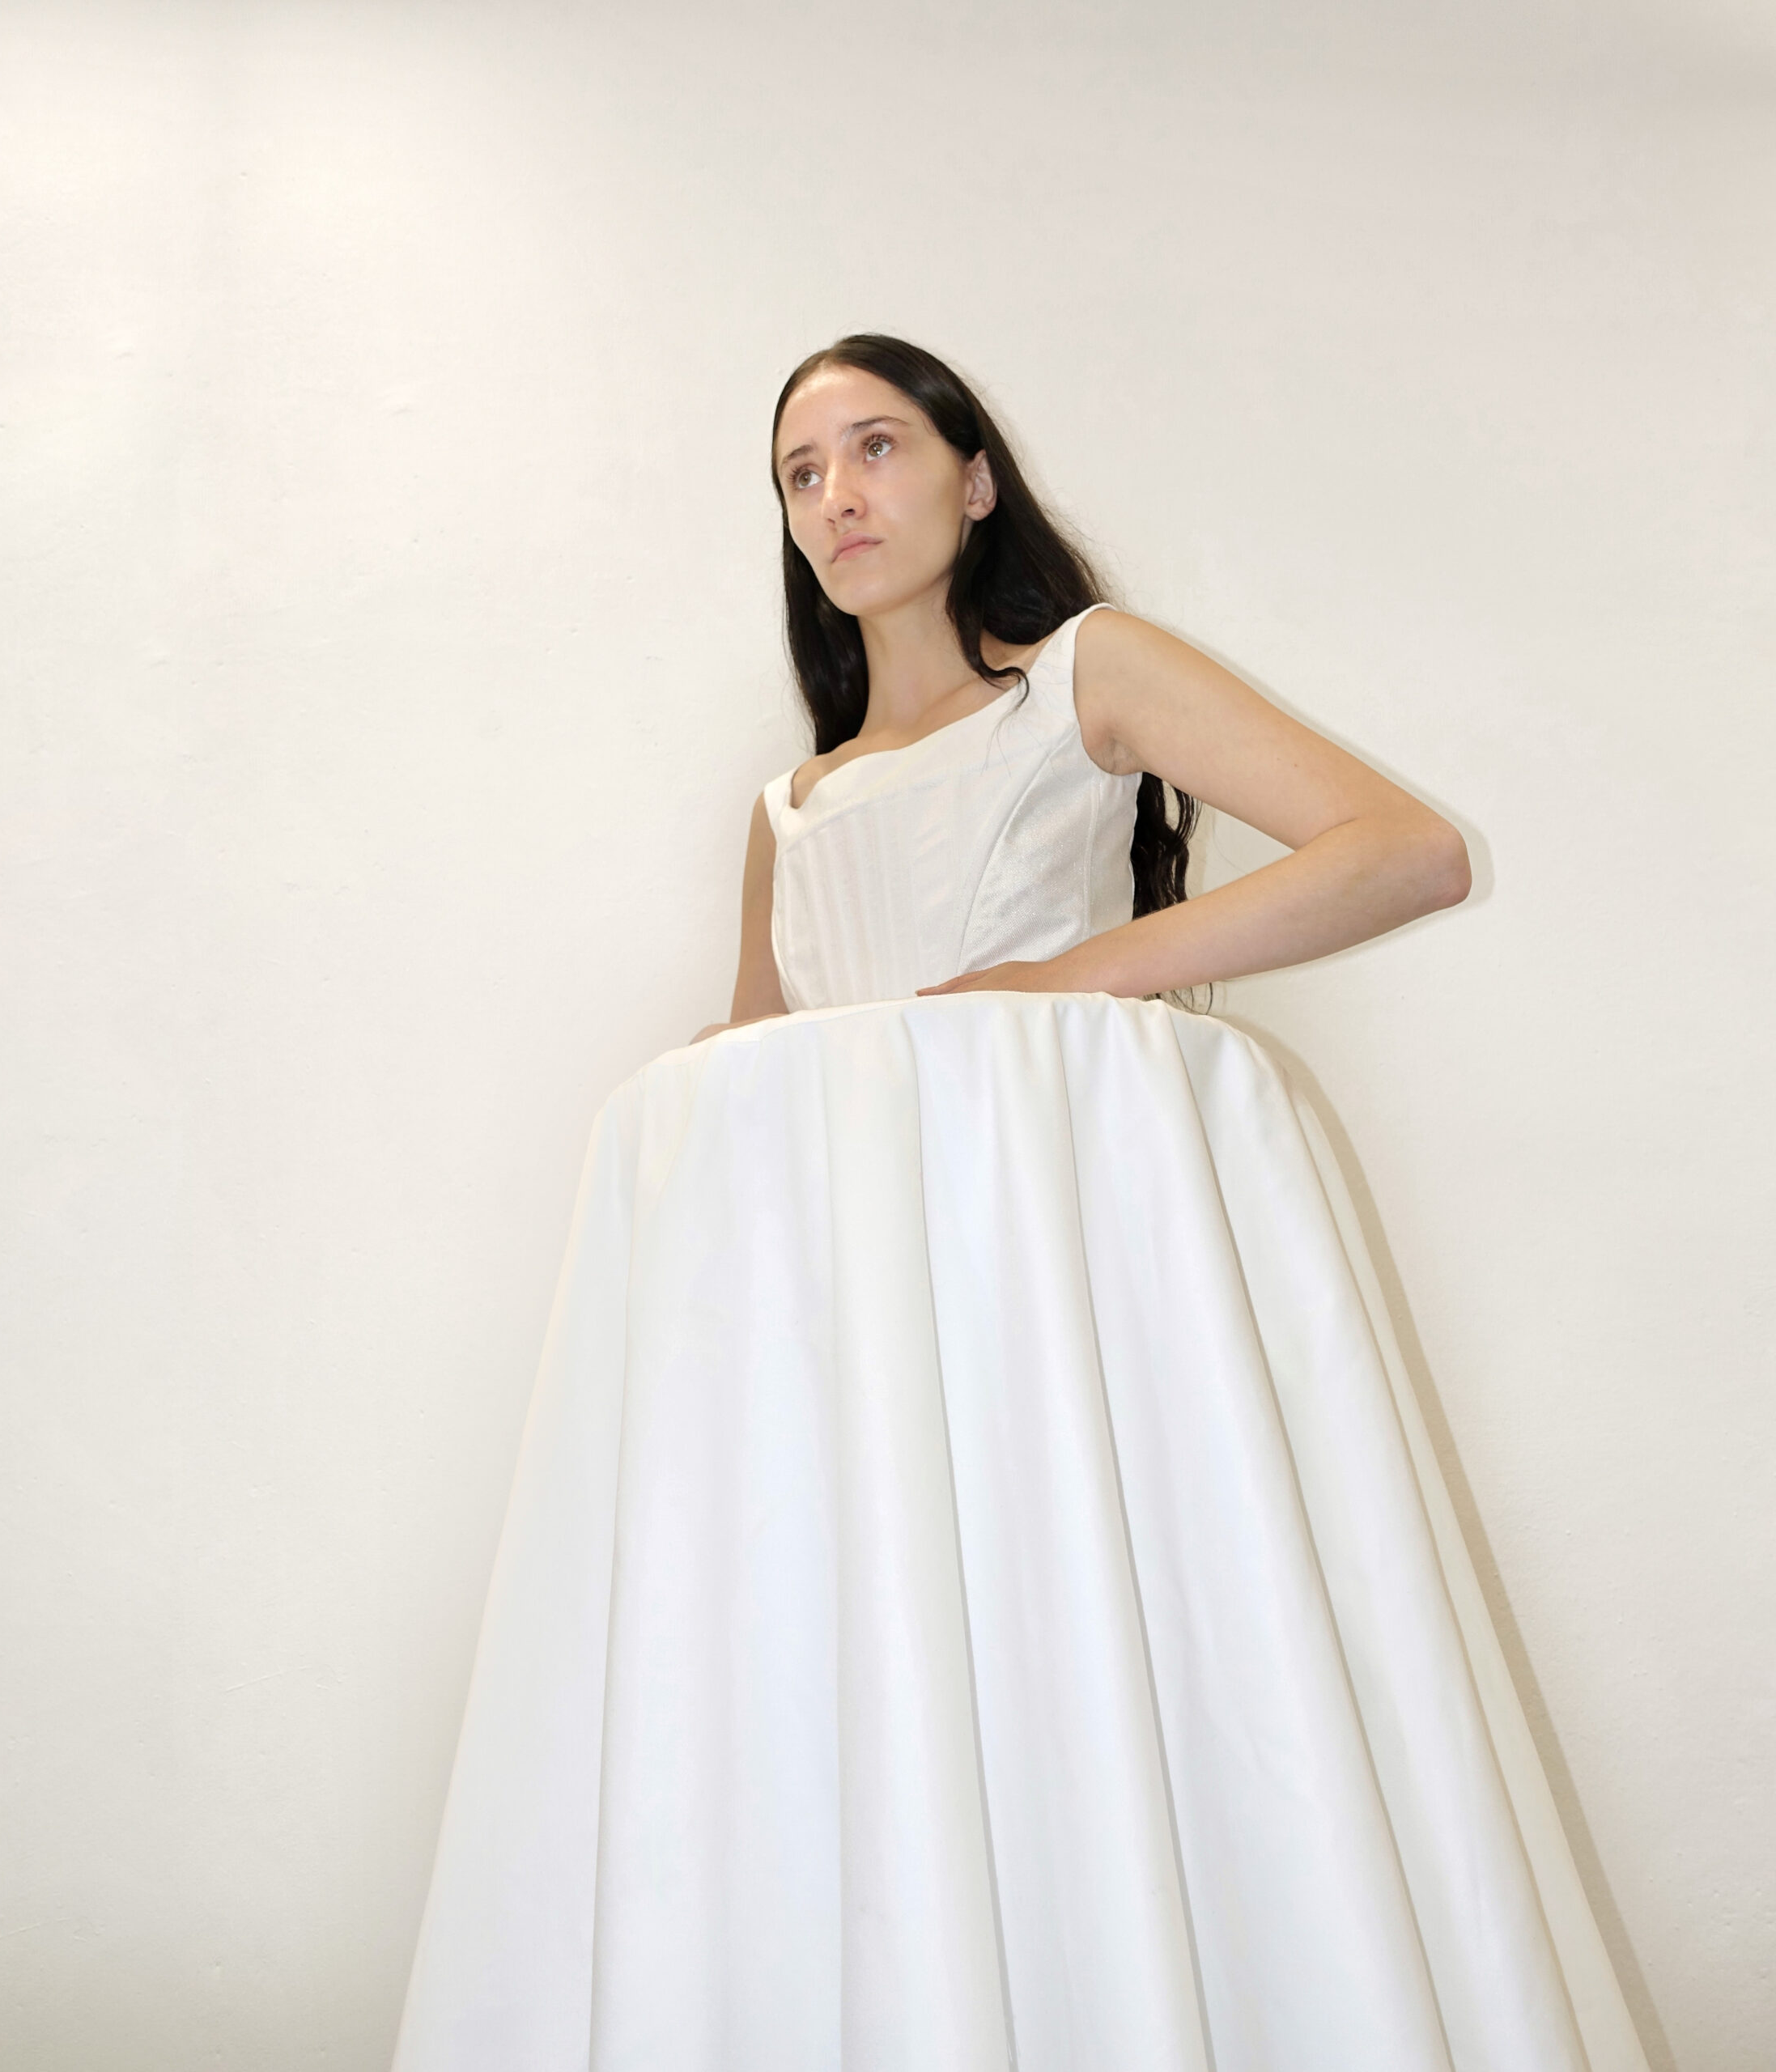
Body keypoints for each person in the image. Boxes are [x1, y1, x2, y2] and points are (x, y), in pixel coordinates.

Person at [393, 336, 1648, 2072]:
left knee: (1085, 1643)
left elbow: (1399, 849)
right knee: (876, 1670)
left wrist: (1065, 977)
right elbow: (764, 1068)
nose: (837, 496)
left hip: (1049, 1281)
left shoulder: (1080, 681)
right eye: (801, 473)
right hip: (850, 1329)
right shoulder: (788, 811)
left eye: (876, 447)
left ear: (973, 477)